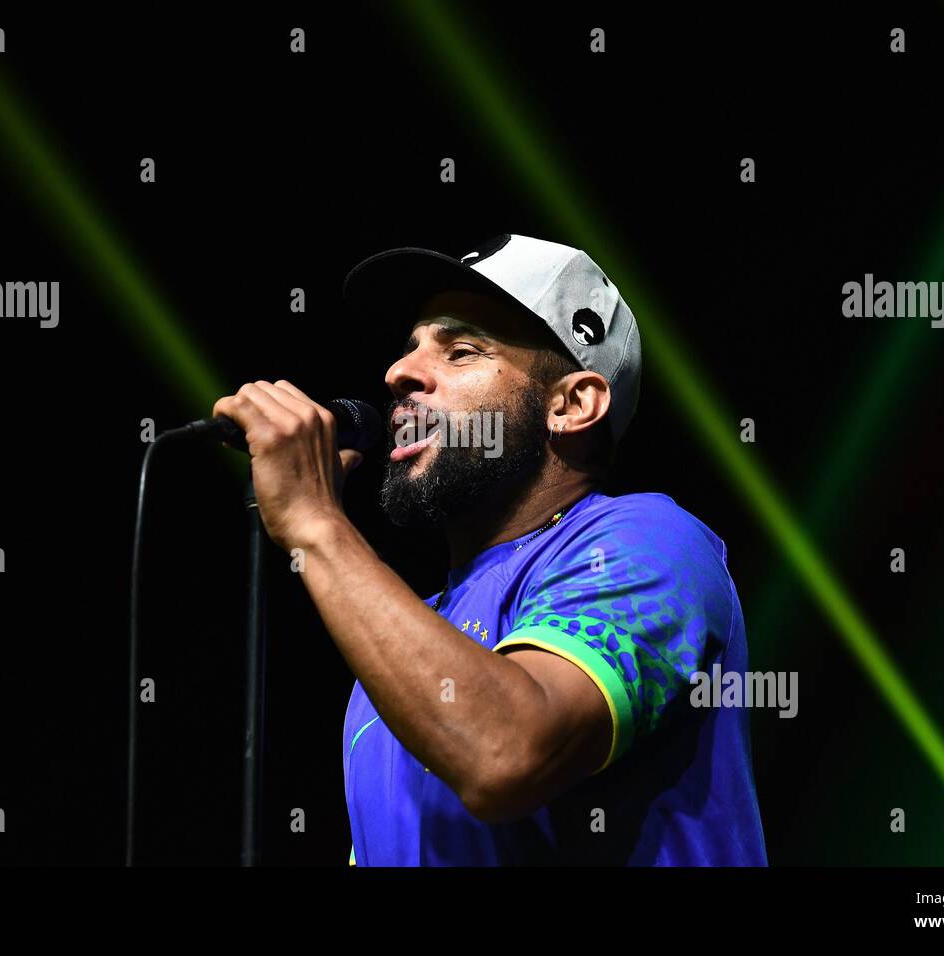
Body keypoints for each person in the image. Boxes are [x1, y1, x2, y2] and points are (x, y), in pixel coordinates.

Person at [211, 234, 767, 865]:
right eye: (409, 348)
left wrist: (316, 525)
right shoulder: (395, 655)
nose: (398, 374)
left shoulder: (649, 540)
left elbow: (506, 752)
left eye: (463, 351)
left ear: (572, 405)